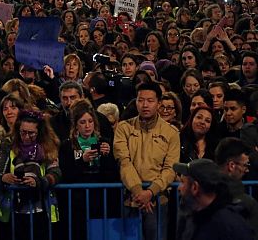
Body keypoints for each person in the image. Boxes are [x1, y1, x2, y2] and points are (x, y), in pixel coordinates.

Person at [113, 82, 180, 240]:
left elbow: (170, 168)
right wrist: (139, 192)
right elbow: (124, 162)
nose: (145, 105)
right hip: (130, 199)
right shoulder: (123, 128)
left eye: (150, 101)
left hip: (158, 201)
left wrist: (150, 192)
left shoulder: (171, 133)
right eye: (140, 100)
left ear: (158, 103)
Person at [58, 99, 118, 239]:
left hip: (100, 200)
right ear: (75, 125)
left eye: (90, 121)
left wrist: (107, 156)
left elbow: (112, 174)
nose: (87, 126)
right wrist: (82, 161)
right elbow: (65, 174)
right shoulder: (67, 146)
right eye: (82, 122)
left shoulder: (104, 142)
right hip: (76, 202)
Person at [0, 110, 61, 240]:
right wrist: (4, 178)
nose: (26, 136)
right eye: (23, 132)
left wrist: (38, 181)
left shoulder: (48, 147)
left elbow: (56, 173)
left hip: (42, 209)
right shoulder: (7, 145)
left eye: (31, 133)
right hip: (12, 210)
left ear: (40, 132)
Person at [174, 158, 254, 240]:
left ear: (195, 187)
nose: (179, 188)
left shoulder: (229, 226)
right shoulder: (192, 218)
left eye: (183, 182)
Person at [215, 138, 258, 233]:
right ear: (231, 166)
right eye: (245, 165)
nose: (247, 170)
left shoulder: (200, 195)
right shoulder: (248, 204)